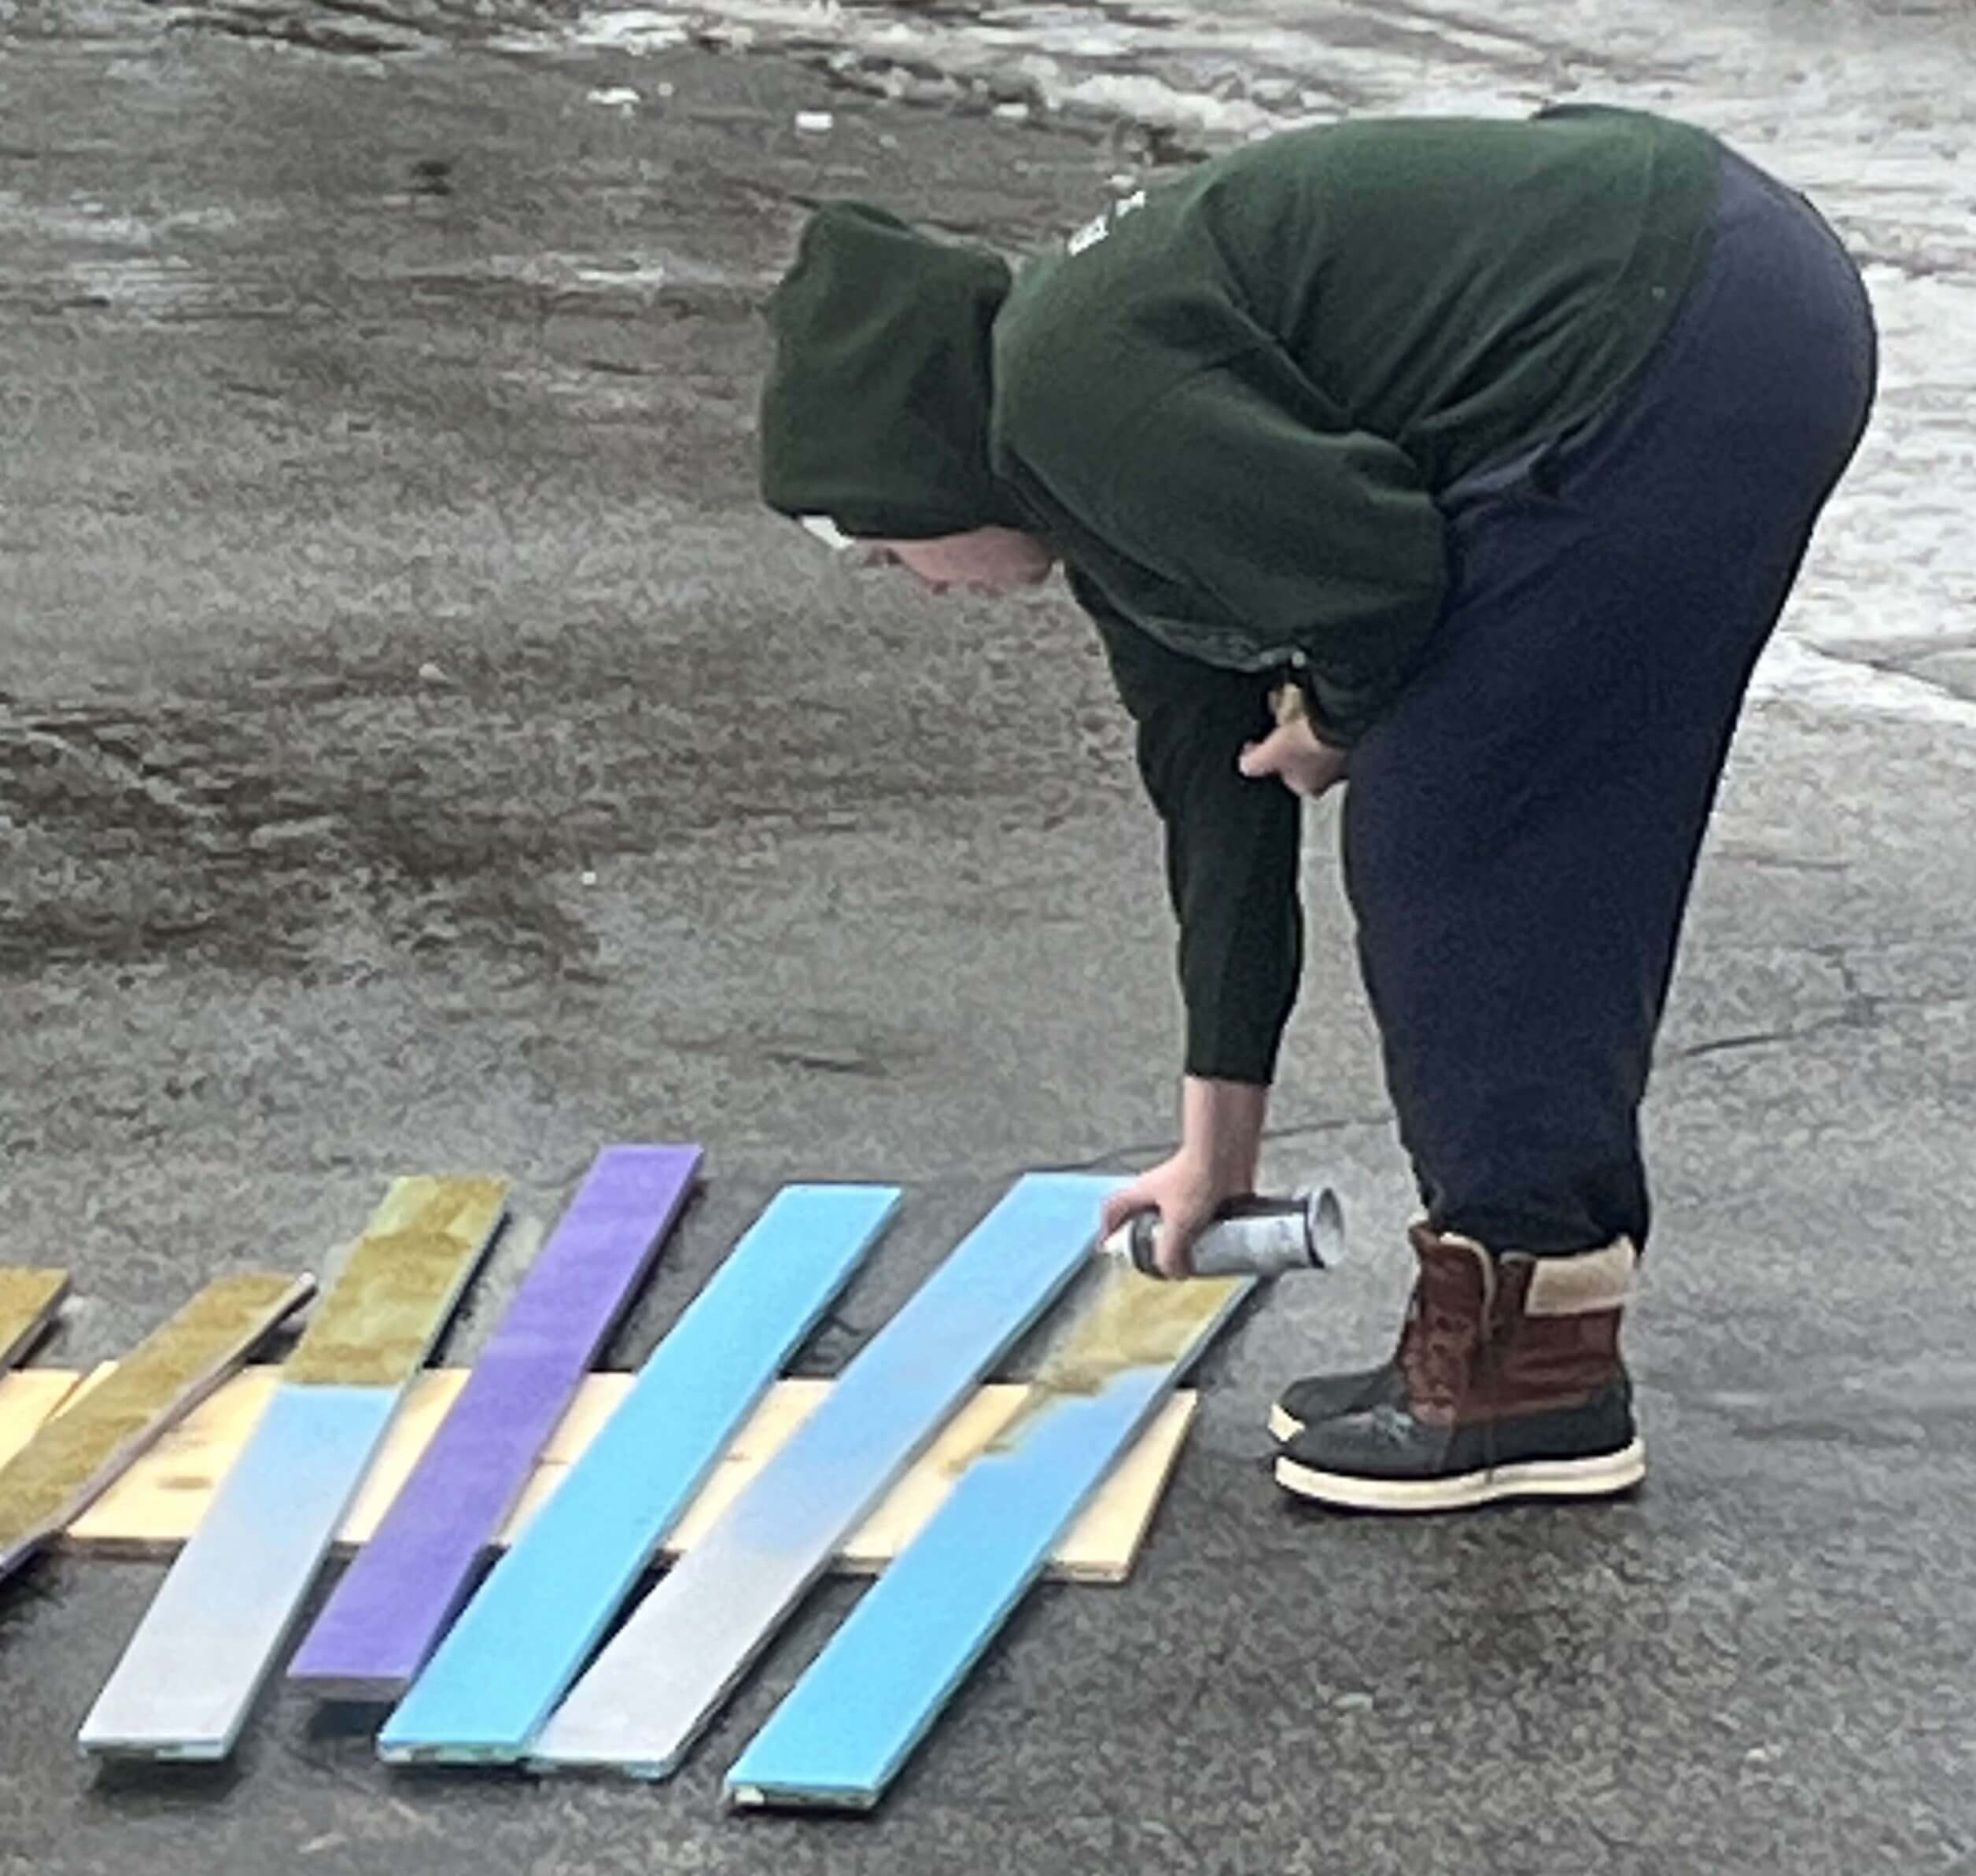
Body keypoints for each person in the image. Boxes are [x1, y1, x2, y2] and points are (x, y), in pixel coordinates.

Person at [755, 105, 1876, 1513]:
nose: (914, 580)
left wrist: (1339, 721)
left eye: (885, 543)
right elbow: (1215, 806)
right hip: (1707, 295)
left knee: (1453, 831)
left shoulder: (1071, 390)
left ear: (919, 463)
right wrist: (1213, 1157)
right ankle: (1528, 1338)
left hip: (1672, 331)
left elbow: (1377, 582)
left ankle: (1528, 1383)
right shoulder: (1095, 465)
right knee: (1494, 815)